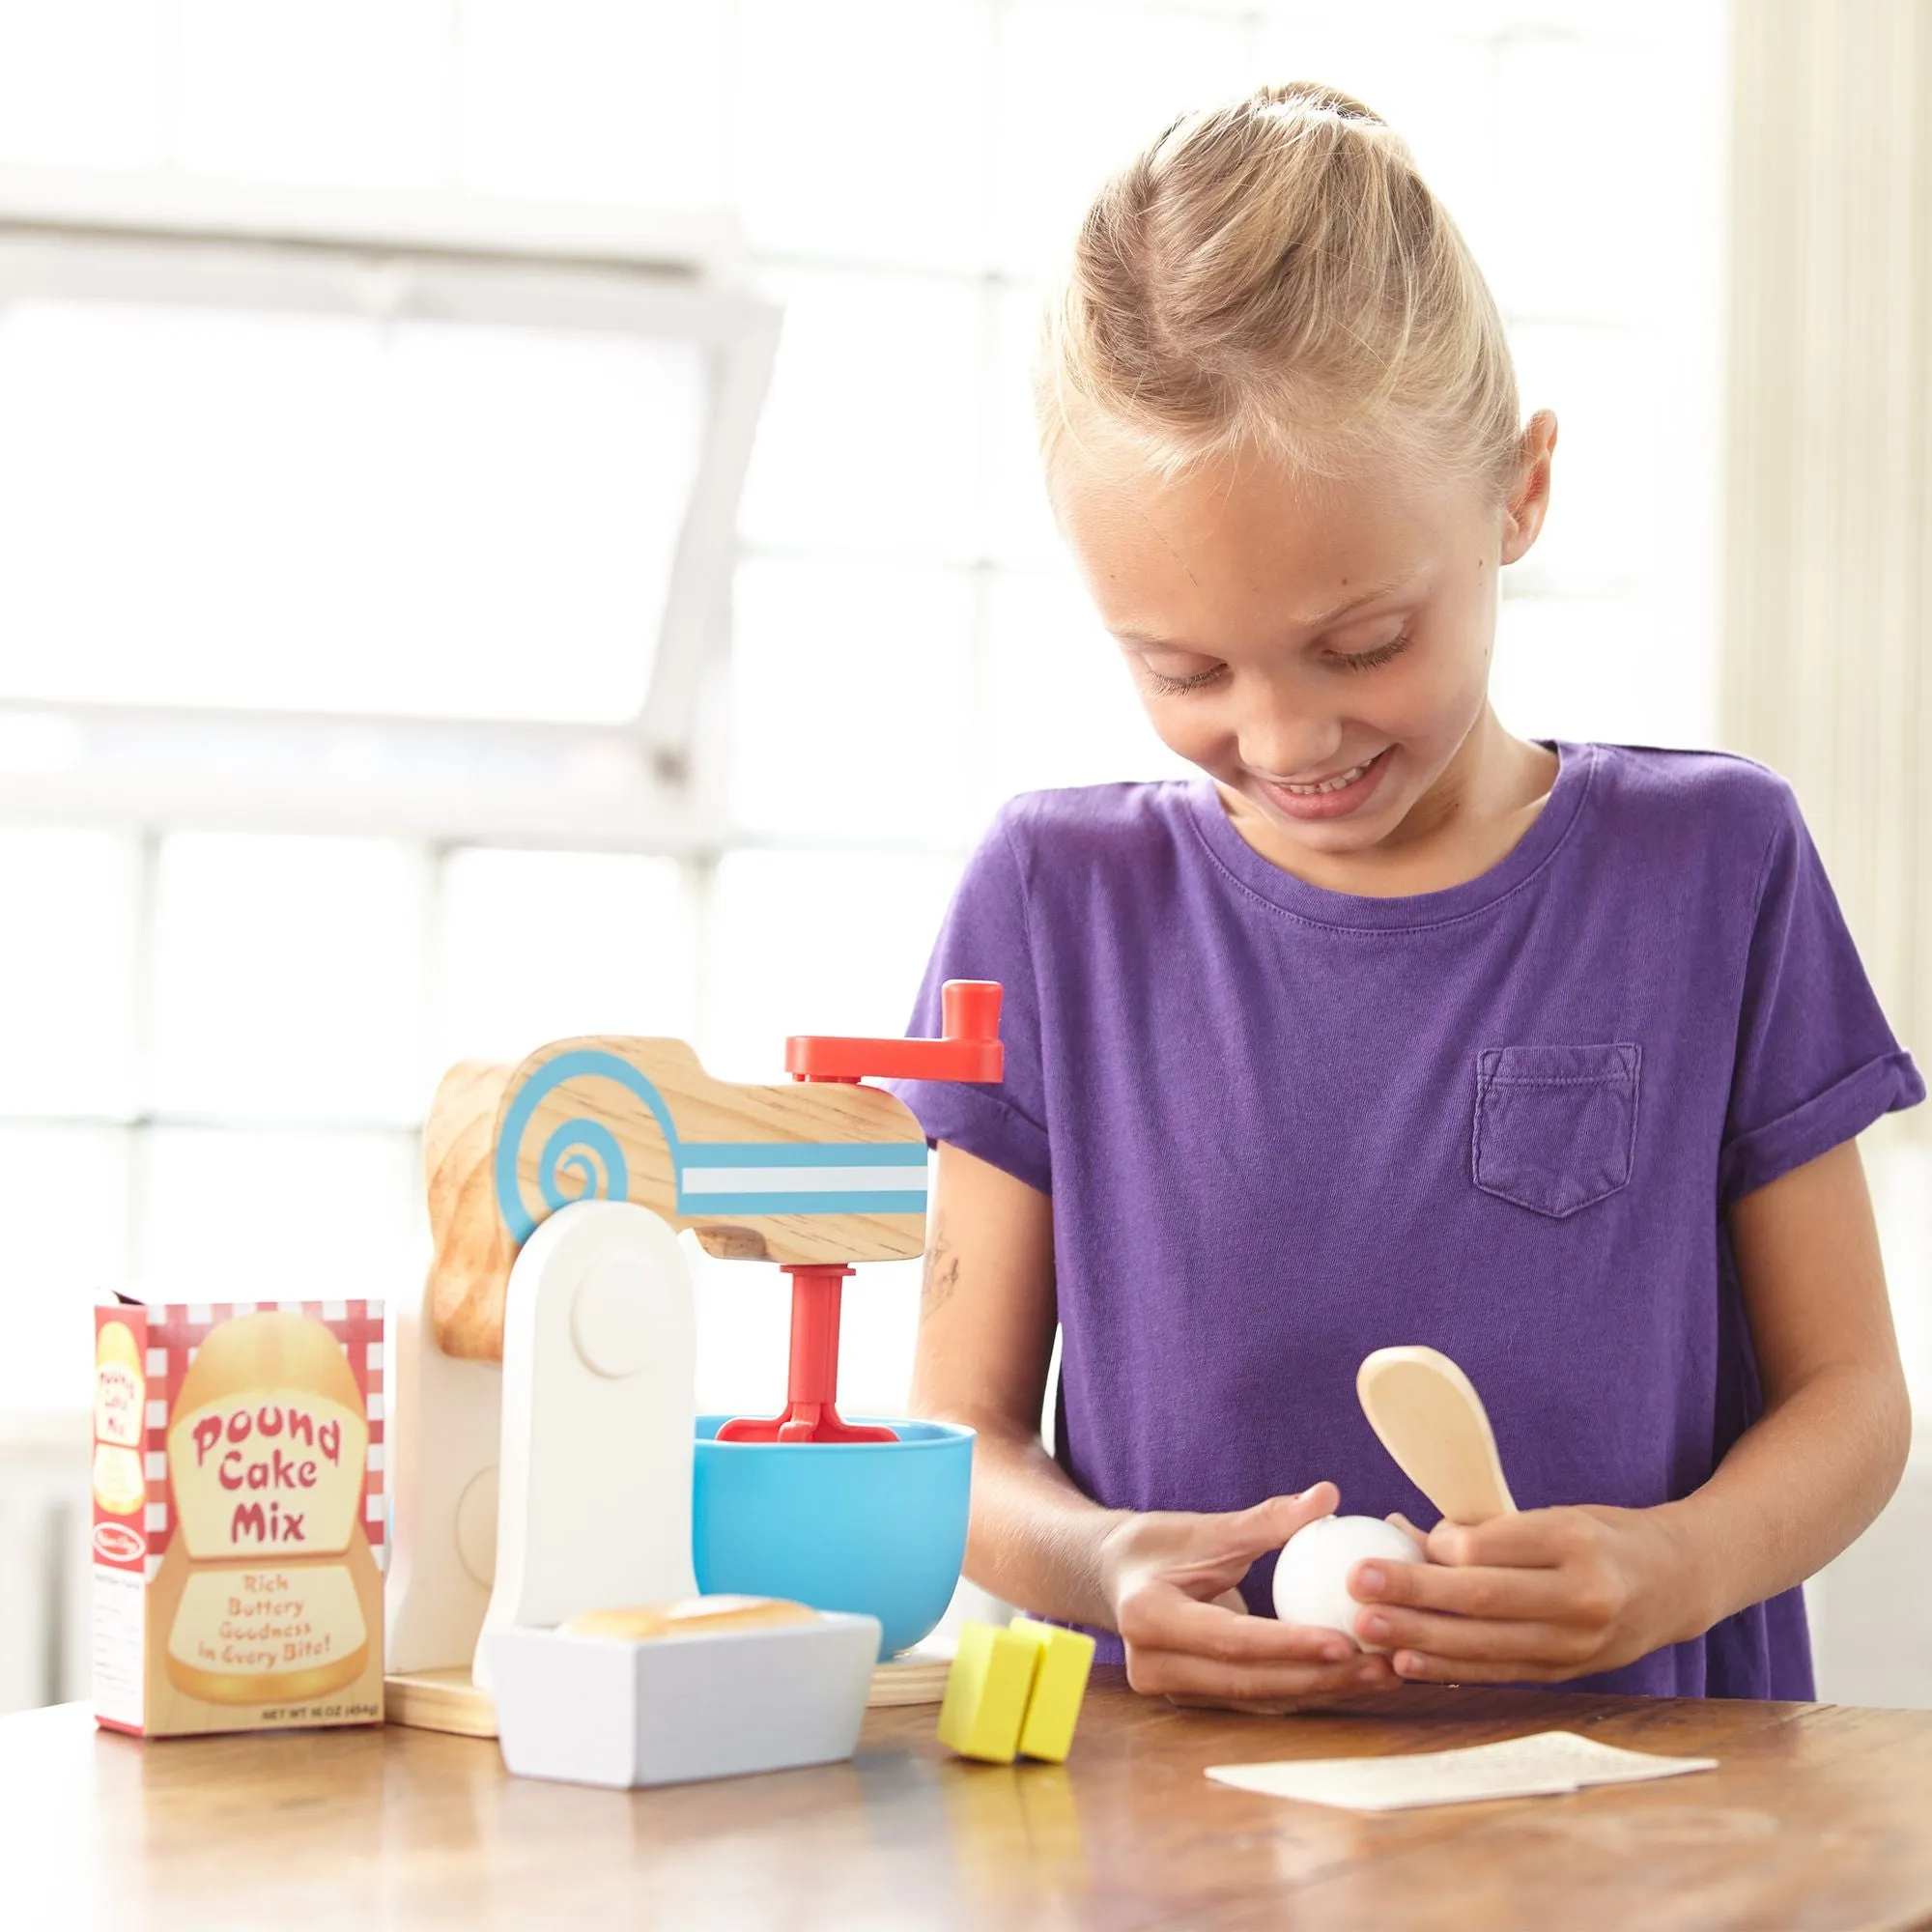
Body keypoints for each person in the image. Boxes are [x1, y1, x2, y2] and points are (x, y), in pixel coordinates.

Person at [885, 82, 1922, 1708]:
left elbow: (1856, 1402)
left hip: (1648, 1837)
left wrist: (1676, 1569)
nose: (1287, 737)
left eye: (1364, 645)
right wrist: (1101, 1565)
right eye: (1185, 669)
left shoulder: (1717, 867)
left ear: (1521, 489)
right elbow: (959, 1440)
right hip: (1176, 1847)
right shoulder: (1052, 901)